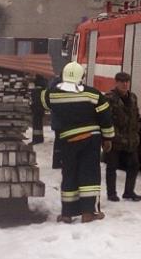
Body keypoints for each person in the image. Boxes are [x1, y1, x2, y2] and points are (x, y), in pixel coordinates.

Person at [42, 61, 115, 223]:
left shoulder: (53, 94)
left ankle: (67, 213)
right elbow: (105, 116)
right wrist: (108, 138)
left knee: (69, 174)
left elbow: (43, 100)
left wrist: (54, 85)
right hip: (91, 139)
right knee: (89, 174)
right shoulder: (93, 94)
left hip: (68, 140)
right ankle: (88, 213)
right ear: (82, 77)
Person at [105, 72, 141, 202]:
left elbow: (136, 117)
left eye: (127, 81)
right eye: (122, 82)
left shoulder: (133, 97)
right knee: (112, 166)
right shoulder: (110, 98)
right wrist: (107, 138)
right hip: (115, 139)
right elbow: (106, 120)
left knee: (134, 165)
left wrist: (136, 133)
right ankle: (111, 193)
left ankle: (129, 192)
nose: (125, 84)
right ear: (116, 82)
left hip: (130, 139)